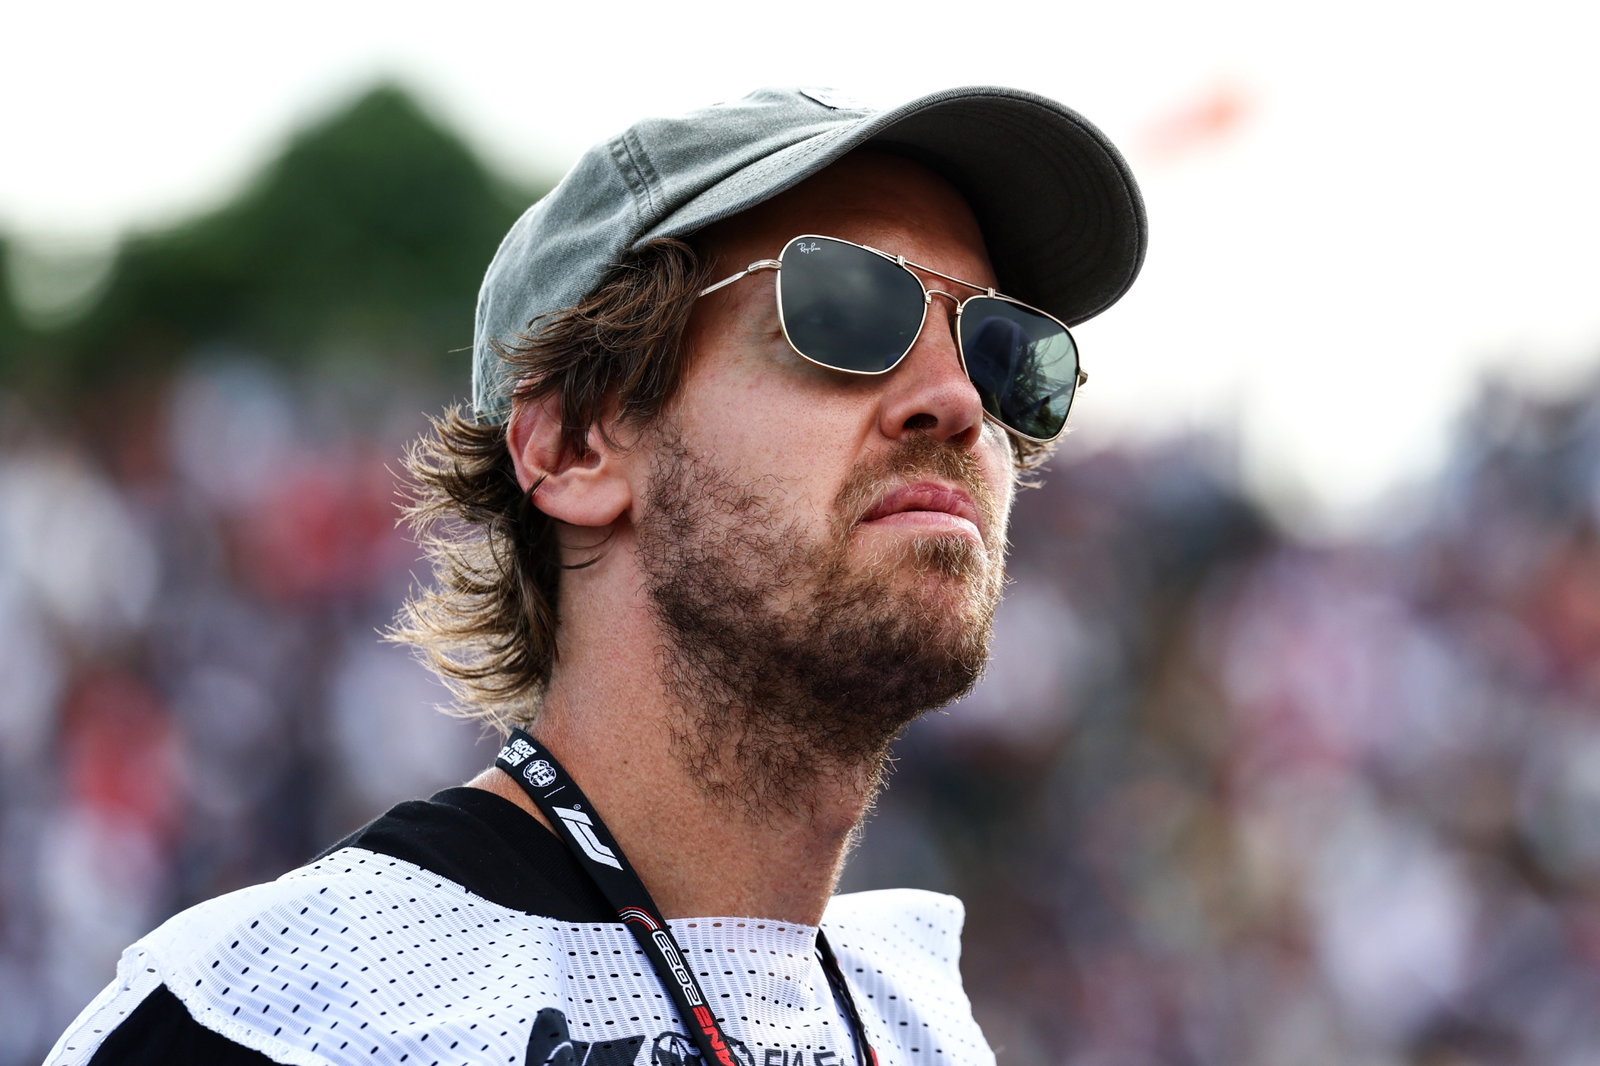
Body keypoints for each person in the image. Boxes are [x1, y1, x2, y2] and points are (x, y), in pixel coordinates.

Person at [48, 85, 1145, 1066]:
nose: (957, 399)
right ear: (573, 447)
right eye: (848, 307)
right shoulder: (281, 1017)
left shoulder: (921, 1025)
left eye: (1004, 351)